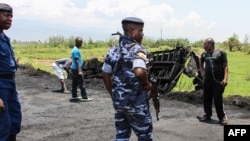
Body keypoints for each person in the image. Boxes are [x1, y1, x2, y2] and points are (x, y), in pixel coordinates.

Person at [102, 17, 153, 140]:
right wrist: (147, 85)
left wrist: (113, 94)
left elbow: (105, 74)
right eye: (140, 31)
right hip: (137, 103)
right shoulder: (138, 49)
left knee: (122, 135)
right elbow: (140, 72)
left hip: (119, 103)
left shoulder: (113, 50)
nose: (142, 34)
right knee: (144, 136)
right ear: (131, 31)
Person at [0, 3, 22, 141]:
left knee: (14, 121)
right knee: (3, 126)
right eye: (6, 15)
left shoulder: (4, 38)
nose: (10, 19)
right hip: (0, 85)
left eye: (11, 16)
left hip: (10, 84)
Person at [198, 38, 228, 125]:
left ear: (210, 44)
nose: (203, 46)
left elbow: (225, 66)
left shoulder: (220, 53)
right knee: (207, 98)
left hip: (218, 81)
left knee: (218, 99)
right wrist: (202, 72)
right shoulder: (204, 54)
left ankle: (222, 117)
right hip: (207, 80)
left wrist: (225, 78)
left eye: (205, 44)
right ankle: (207, 115)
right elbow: (201, 61)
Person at [70, 37, 92, 101]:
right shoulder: (76, 50)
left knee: (74, 83)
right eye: (80, 42)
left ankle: (74, 95)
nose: (81, 43)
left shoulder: (74, 49)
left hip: (74, 68)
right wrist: (79, 70)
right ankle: (84, 97)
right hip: (77, 69)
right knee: (81, 83)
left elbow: (72, 58)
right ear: (76, 42)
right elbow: (76, 61)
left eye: (81, 42)